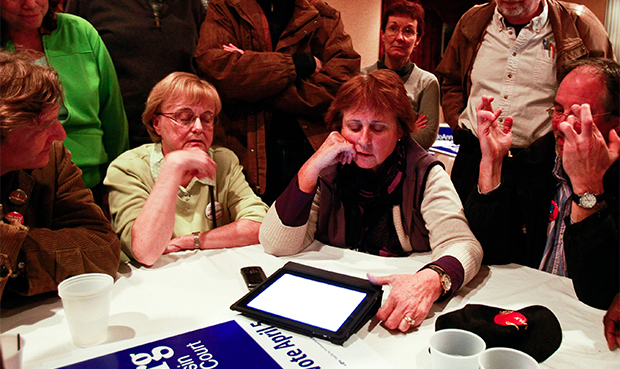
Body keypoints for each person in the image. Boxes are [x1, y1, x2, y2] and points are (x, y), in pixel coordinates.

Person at [259, 70, 483, 332]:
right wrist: (310, 169)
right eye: (354, 127)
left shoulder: (424, 172)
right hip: (333, 303)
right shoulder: (328, 170)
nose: (364, 140)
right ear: (339, 128)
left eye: (378, 128)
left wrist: (431, 280)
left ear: (400, 130)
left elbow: (464, 245)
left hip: (396, 306)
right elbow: (276, 244)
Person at [464, 58, 619, 310]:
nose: (562, 125)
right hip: (528, 305)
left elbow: (599, 291)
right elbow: (494, 251)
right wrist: (491, 163)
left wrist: (587, 188)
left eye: (579, 114)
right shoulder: (538, 158)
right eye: (559, 110)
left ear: (616, 124)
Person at [435, 0, 614, 201]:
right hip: (474, 156)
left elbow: (606, 93)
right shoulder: (472, 20)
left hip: (542, 163)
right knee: (465, 229)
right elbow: (450, 81)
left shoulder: (580, 23)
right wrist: (459, 124)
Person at [194, 0, 361, 204]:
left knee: (309, 229)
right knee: (253, 228)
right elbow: (218, 70)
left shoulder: (324, 15)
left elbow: (340, 88)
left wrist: (255, 80)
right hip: (244, 152)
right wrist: (298, 64)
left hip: (310, 150)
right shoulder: (225, 8)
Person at [105, 72, 269, 266]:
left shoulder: (224, 161)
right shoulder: (127, 168)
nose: (199, 127)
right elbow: (145, 251)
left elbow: (261, 225)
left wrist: (192, 241)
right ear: (156, 124)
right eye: (185, 118)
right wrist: (173, 168)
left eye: (207, 119)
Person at [0, 51, 121, 301]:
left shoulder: (52, 160)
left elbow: (102, 248)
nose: (60, 134)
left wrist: (12, 250)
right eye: (44, 125)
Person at [1, 0, 129, 203]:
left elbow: (112, 111)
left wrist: (116, 180)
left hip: (90, 180)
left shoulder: (79, 30)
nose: (31, 4)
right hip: (17, 182)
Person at [65, 0, 206, 149]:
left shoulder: (191, 4)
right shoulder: (86, 3)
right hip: (114, 138)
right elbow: (72, 69)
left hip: (181, 137)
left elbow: (201, 68)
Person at [362, 0, 439, 150]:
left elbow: (425, 138)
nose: (400, 37)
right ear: (383, 34)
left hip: (407, 166)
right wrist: (406, 131)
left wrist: (376, 131)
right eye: (393, 28)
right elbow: (353, 128)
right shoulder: (362, 77)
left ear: (418, 40)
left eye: (408, 31)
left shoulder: (428, 82)